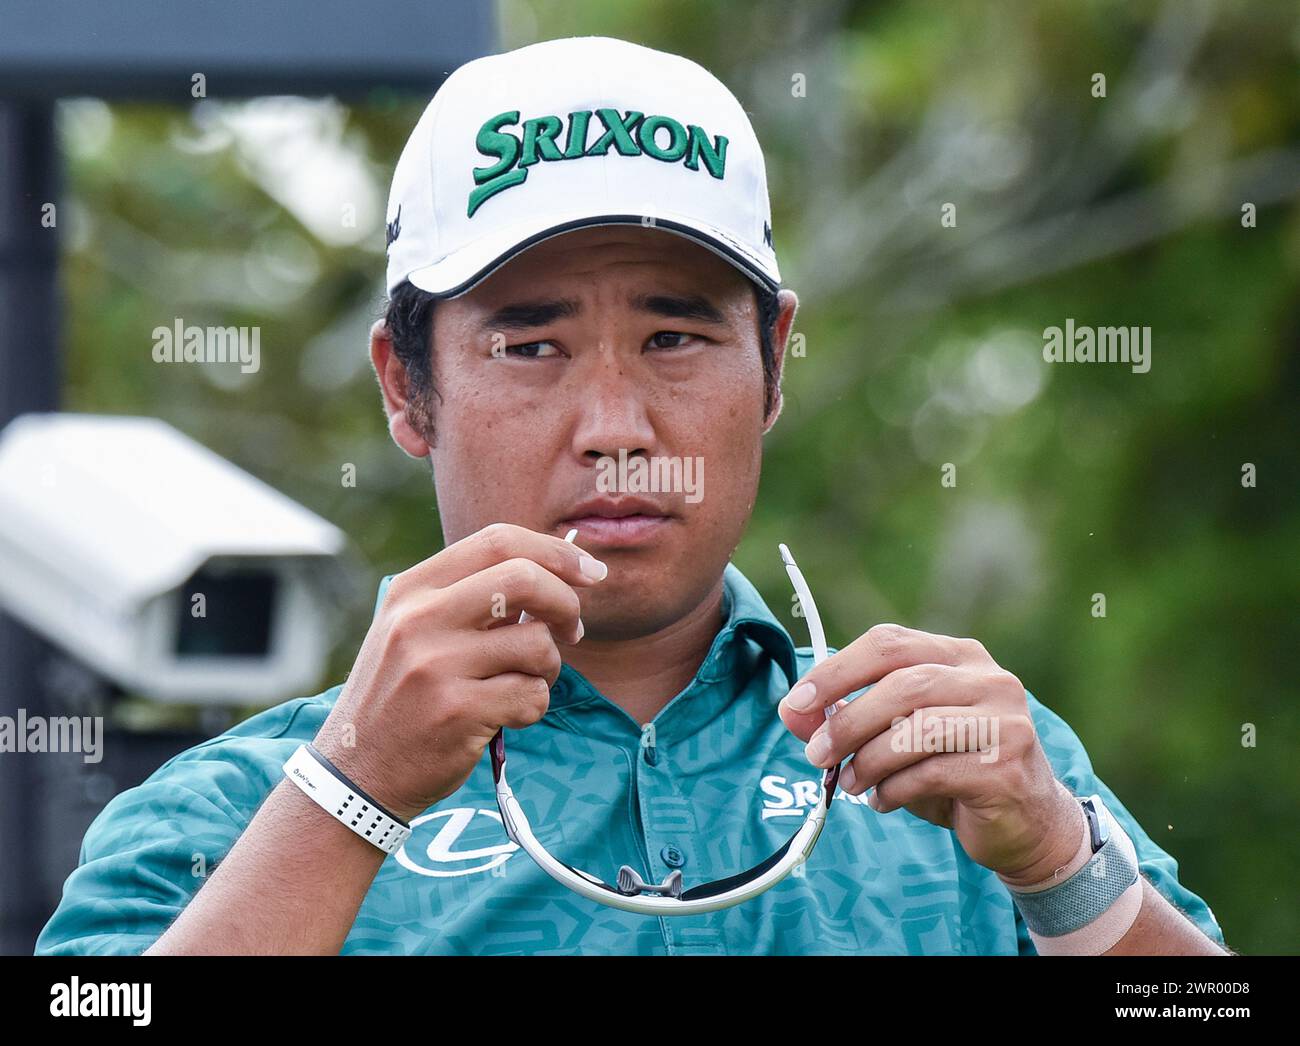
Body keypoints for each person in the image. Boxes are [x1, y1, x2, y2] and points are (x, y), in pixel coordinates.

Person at [36, 35, 1227, 956]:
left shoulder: (966, 763)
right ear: (407, 388)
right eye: (530, 346)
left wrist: (1062, 869)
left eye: (673, 334)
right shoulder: (223, 812)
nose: (617, 429)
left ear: (772, 366)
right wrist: (349, 792)